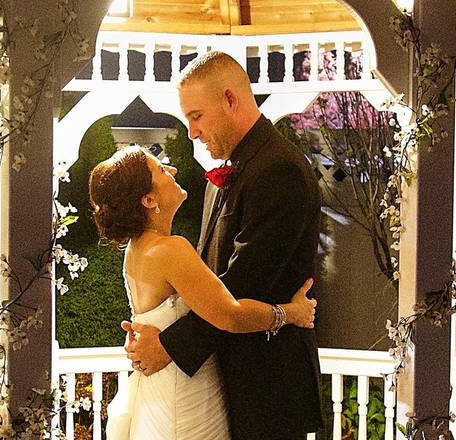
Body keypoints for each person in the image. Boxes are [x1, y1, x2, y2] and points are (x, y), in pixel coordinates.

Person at [125, 50, 324, 440]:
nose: (191, 132)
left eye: (196, 116)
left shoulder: (278, 171)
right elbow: (205, 278)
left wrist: (169, 344)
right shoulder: (233, 170)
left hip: (266, 388)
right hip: (224, 379)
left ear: (230, 99)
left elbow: (239, 285)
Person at [89, 145, 316, 440]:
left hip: (159, 390)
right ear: (148, 199)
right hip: (184, 397)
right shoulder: (170, 250)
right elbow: (230, 316)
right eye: (161, 170)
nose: (172, 171)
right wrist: (289, 313)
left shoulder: (136, 249)